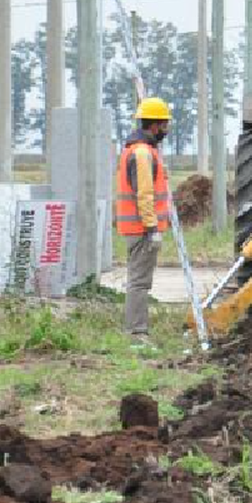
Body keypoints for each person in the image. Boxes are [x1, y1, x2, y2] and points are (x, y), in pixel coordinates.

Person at [114, 97, 173, 337]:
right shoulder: (141, 153)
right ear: (155, 125)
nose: (166, 130)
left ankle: (137, 331)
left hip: (137, 229)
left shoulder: (140, 150)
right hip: (142, 230)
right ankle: (136, 333)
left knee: (139, 282)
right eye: (164, 124)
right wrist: (152, 228)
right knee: (139, 283)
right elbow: (144, 193)